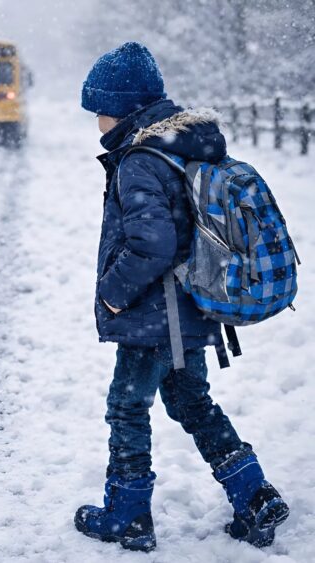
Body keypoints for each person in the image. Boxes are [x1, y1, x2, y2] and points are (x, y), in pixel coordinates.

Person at [73, 42, 289, 552]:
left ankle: (127, 515)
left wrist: (113, 294)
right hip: (190, 307)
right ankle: (254, 494)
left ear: (123, 109)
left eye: (99, 111)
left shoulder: (139, 161)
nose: (96, 122)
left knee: (127, 407)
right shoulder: (180, 145)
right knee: (191, 400)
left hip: (155, 313)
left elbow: (153, 243)